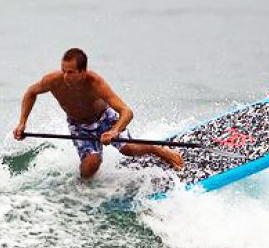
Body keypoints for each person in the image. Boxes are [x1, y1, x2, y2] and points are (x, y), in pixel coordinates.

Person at [13, 48, 184, 178]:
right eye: (63, 70)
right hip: (78, 125)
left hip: (105, 119)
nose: (65, 76)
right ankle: (84, 189)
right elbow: (30, 93)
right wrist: (22, 123)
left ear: (82, 71)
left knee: (128, 149)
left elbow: (126, 112)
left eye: (70, 72)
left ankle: (158, 150)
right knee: (90, 167)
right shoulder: (52, 81)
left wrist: (114, 131)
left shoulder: (95, 83)